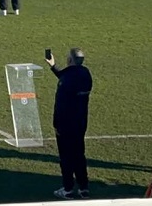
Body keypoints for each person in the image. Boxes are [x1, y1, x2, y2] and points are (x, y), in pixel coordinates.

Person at [46, 47, 93, 199]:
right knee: (79, 155)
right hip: (81, 123)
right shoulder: (85, 74)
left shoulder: (66, 80)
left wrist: (56, 125)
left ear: (70, 60)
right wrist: (53, 66)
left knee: (66, 158)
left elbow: (61, 105)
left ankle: (67, 189)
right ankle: (84, 188)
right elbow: (65, 75)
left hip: (66, 125)